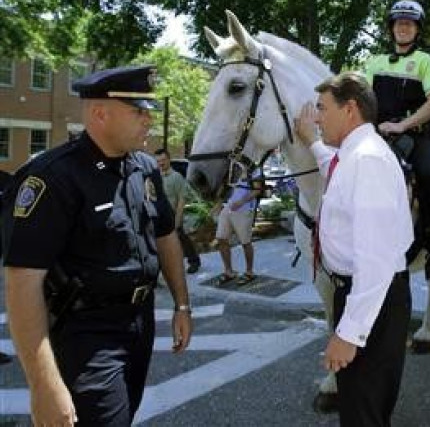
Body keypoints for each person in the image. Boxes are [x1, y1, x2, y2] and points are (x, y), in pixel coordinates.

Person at [2, 65, 193, 426]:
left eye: (150, 110)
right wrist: (43, 385)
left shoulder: (144, 168)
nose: (149, 119)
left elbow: (166, 236)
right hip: (86, 332)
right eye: (139, 111)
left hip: (139, 323)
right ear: (99, 113)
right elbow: (22, 281)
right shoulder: (54, 177)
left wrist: (183, 305)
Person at [295, 72, 413, 426]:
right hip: (365, 297)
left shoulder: (367, 161)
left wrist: (349, 334)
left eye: (322, 108)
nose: (317, 117)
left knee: (363, 414)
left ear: (349, 110)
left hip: (372, 299)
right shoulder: (355, 155)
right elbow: (334, 170)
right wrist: (312, 141)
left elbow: (375, 260)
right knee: (361, 408)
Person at [363, 0, 430, 281]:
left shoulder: (428, 62)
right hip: (376, 135)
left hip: (415, 135)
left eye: (409, 23)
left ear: (417, 29)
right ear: (391, 28)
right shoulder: (374, 63)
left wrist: (402, 125)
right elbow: (362, 102)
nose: (403, 27)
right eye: (399, 23)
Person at [155, 148, 202, 274]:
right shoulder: (156, 177)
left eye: (163, 160)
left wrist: (177, 219)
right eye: (158, 161)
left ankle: (194, 261)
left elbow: (181, 200)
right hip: (159, 215)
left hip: (172, 213)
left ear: (169, 160)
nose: (161, 163)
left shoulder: (176, 177)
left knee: (182, 238)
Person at [213, 168, 262, 285]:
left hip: (244, 209)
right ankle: (229, 271)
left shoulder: (254, 169)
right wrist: (218, 204)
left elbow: (257, 190)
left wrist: (241, 201)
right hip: (227, 207)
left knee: (245, 242)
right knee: (221, 238)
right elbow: (224, 187)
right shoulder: (231, 167)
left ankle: (249, 272)